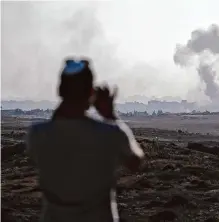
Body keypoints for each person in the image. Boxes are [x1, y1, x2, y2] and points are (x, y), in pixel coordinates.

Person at [26, 58, 144, 222]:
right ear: (91, 93)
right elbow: (135, 161)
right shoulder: (109, 134)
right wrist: (110, 115)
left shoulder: (38, 134)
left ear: (60, 91)